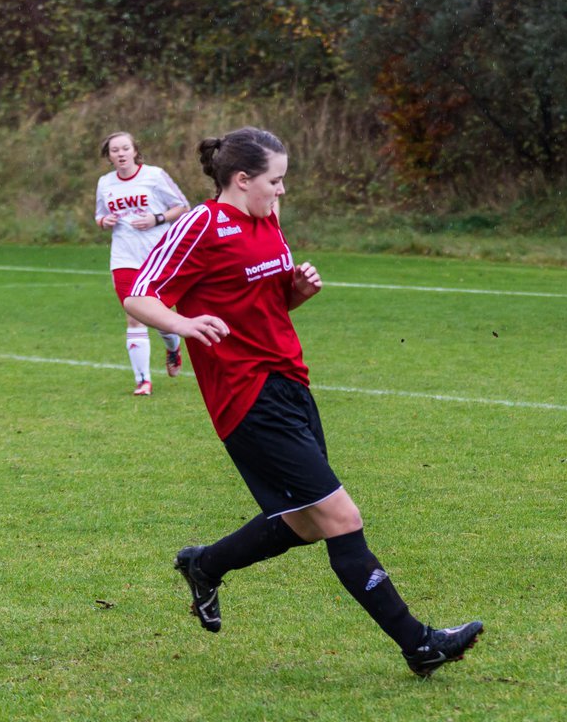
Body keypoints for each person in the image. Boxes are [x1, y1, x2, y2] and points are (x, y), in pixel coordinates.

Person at [124, 127, 481, 677]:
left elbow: (266, 302)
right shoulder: (202, 224)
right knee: (340, 516)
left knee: (306, 523)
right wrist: (185, 323)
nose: (282, 191)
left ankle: (204, 564)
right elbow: (141, 294)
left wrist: (297, 292)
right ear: (242, 180)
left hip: (290, 382)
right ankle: (419, 643)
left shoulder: (268, 221)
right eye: (275, 180)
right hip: (245, 395)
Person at [94, 131, 190, 395]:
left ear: (135, 151)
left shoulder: (154, 176)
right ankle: (143, 381)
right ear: (109, 156)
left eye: (125, 148)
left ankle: (173, 348)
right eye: (115, 150)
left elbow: (182, 207)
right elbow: (100, 216)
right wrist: (105, 222)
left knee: (161, 318)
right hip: (123, 258)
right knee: (135, 316)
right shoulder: (105, 183)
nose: (121, 154)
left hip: (156, 257)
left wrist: (156, 219)